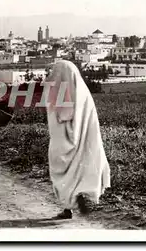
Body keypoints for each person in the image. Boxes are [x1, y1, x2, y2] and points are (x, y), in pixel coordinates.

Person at [44, 60, 110, 218]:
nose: (52, 75)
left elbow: (62, 114)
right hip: (83, 141)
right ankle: (80, 195)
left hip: (64, 140)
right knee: (80, 168)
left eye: (55, 72)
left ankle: (68, 206)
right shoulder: (83, 93)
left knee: (62, 168)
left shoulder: (61, 89)